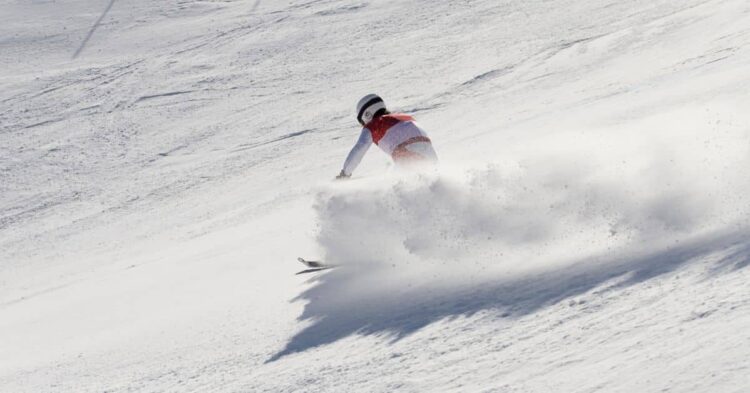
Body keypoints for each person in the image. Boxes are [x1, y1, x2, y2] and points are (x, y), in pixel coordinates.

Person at [337, 94, 438, 179]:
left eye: (362, 121)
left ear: (366, 114)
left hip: (406, 152)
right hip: (430, 153)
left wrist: (345, 173)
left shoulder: (374, 125)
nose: (363, 125)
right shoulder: (405, 117)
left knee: (403, 188)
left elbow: (360, 147)